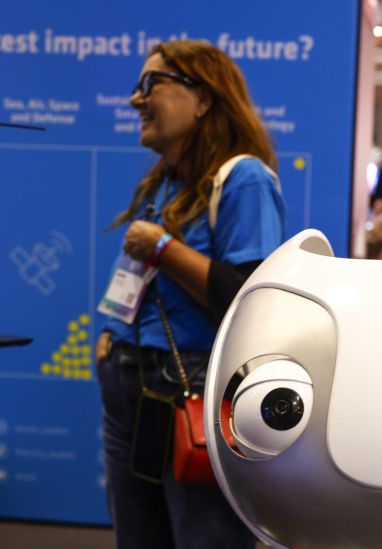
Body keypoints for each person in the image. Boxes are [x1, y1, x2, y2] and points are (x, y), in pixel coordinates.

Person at [94, 40, 285, 548]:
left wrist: (162, 248)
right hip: (128, 384)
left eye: (150, 83)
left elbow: (249, 299)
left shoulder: (243, 178)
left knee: (206, 537)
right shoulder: (164, 183)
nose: (135, 99)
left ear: (202, 99)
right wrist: (111, 338)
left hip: (192, 389)